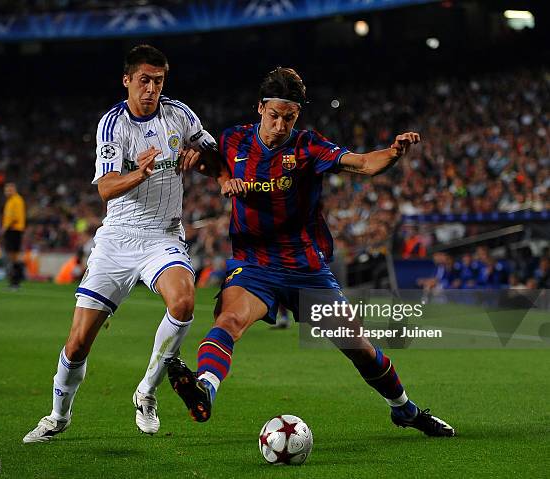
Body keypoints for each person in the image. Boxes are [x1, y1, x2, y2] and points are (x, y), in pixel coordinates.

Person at [167, 67, 455, 437]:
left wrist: (394, 152)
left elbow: (364, 163)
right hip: (255, 265)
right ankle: (205, 386)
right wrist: (196, 163)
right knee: (229, 322)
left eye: (289, 117)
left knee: (359, 347)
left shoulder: (307, 146)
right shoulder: (234, 139)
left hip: (305, 267)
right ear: (260, 108)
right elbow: (211, 163)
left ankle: (404, 409)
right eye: (274, 115)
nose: (281, 125)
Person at [23, 44, 216, 443]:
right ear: (127, 79)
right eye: (144, 80)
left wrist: (200, 151)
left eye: (158, 81)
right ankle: (59, 416)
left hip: (163, 235)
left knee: (183, 303)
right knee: (77, 343)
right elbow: (106, 188)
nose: (151, 89)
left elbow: (211, 149)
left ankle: (146, 392)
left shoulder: (179, 115)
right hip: (118, 239)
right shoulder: (113, 125)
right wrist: (140, 172)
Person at [2, 182, 26, 289]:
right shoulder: (11, 201)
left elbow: (14, 217)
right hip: (12, 230)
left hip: (14, 230)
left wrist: (5, 228)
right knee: (13, 256)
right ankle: (15, 280)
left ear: (14, 189)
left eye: (9, 190)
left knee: (14, 256)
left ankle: (16, 281)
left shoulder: (17, 200)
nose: (7, 192)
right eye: (6, 190)